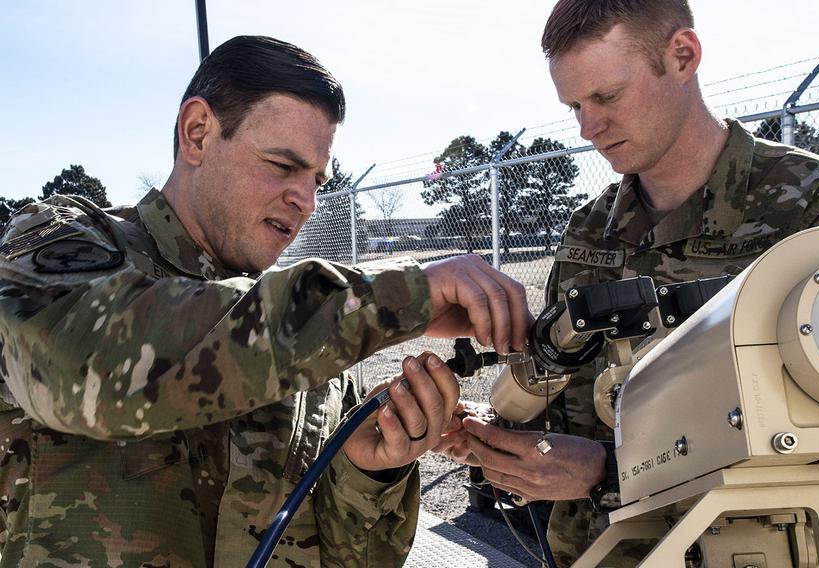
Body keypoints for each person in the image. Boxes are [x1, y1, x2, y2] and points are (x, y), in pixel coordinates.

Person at [0, 36, 531, 568]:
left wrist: (370, 471)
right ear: (198, 133)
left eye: (317, 179)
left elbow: (355, 559)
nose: (307, 200)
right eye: (282, 165)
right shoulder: (65, 246)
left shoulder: (317, 340)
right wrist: (402, 293)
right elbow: (90, 369)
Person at [437, 1, 819, 566]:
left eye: (606, 96)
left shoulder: (814, 209)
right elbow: (568, 399)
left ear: (682, 56)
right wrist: (491, 432)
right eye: (575, 105)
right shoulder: (591, 230)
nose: (587, 127)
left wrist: (608, 473)